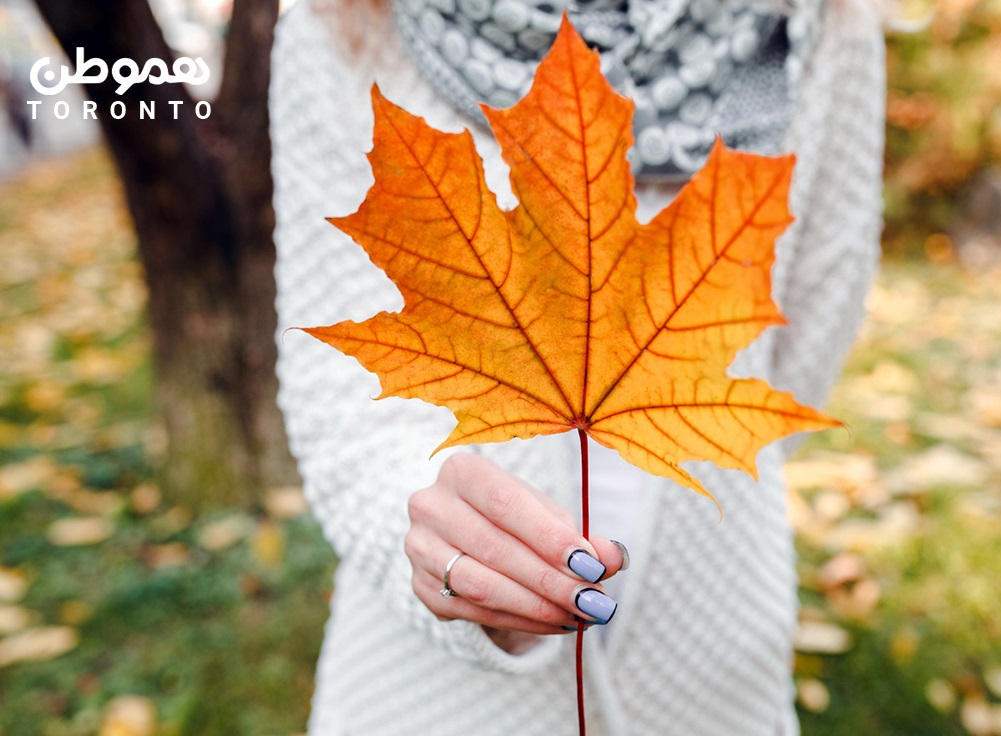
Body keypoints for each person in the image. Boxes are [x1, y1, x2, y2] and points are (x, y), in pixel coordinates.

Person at [269, 0, 885, 733]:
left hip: (712, 667)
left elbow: (799, 365)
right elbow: (338, 397)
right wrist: (439, 551)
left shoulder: (817, 23)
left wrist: (677, 414)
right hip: (433, 694)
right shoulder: (344, 16)